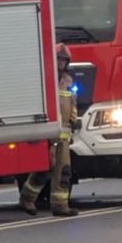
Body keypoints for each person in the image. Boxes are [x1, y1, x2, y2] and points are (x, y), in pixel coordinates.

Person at [19, 43, 79, 217]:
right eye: (58, 59)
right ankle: (27, 198)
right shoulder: (45, 79)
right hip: (48, 132)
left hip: (63, 134)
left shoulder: (69, 81)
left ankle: (60, 205)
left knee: (64, 170)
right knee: (46, 168)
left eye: (63, 60)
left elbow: (73, 103)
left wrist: (73, 120)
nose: (60, 62)